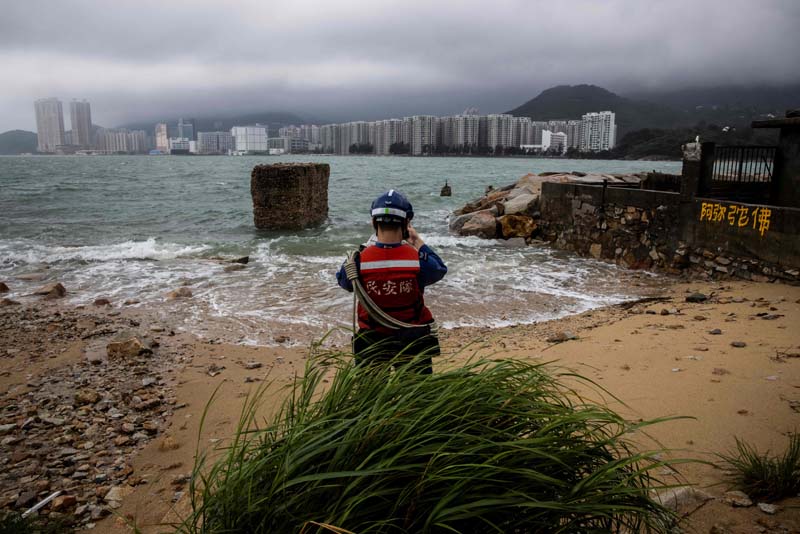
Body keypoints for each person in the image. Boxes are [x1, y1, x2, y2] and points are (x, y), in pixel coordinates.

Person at [336, 190, 447, 374]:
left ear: (373, 222)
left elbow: (344, 281)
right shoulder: (418, 260)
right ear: (406, 223)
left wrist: (364, 248)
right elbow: (439, 269)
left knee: (370, 396)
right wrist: (417, 241)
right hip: (413, 338)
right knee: (416, 396)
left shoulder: (359, 260)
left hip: (372, 340)